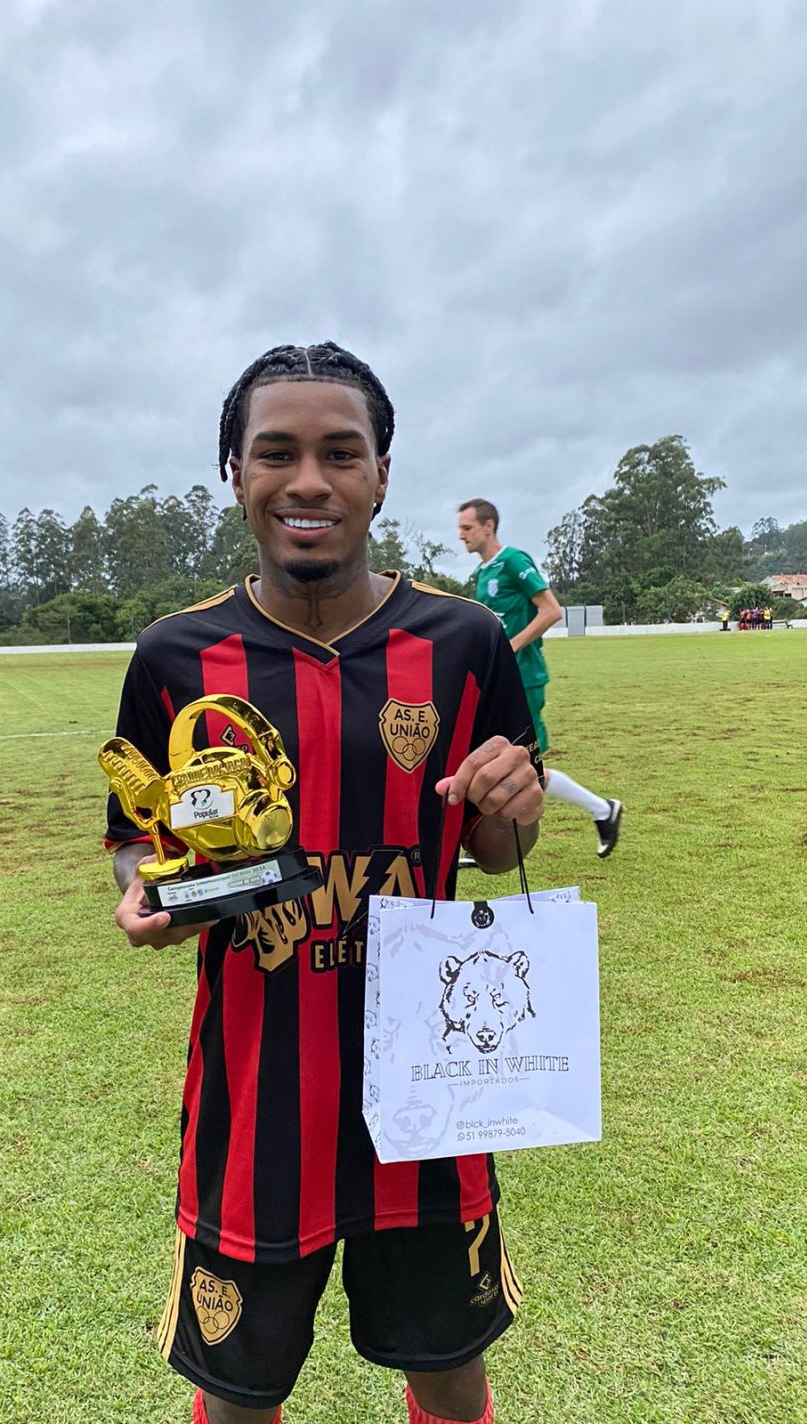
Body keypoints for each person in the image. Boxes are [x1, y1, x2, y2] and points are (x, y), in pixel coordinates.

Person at [106, 343, 545, 1424]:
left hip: (432, 1099)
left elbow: (496, 848)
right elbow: (136, 839)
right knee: (238, 1394)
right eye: (277, 453)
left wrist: (513, 796)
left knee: (450, 1375)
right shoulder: (174, 656)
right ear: (236, 474)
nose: (310, 480)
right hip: (256, 1096)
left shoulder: (466, 640)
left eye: (341, 453)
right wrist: (148, 892)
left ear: (381, 475)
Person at [457, 499, 623, 859]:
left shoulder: (514, 561)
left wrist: (512, 647)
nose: (461, 535)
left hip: (525, 677)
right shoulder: (484, 572)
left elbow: (551, 610)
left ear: (488, 526)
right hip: (500, 679)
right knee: (489, 758)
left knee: (527, 767)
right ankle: (482, 837)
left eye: (467, 528)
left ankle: (603, 809)